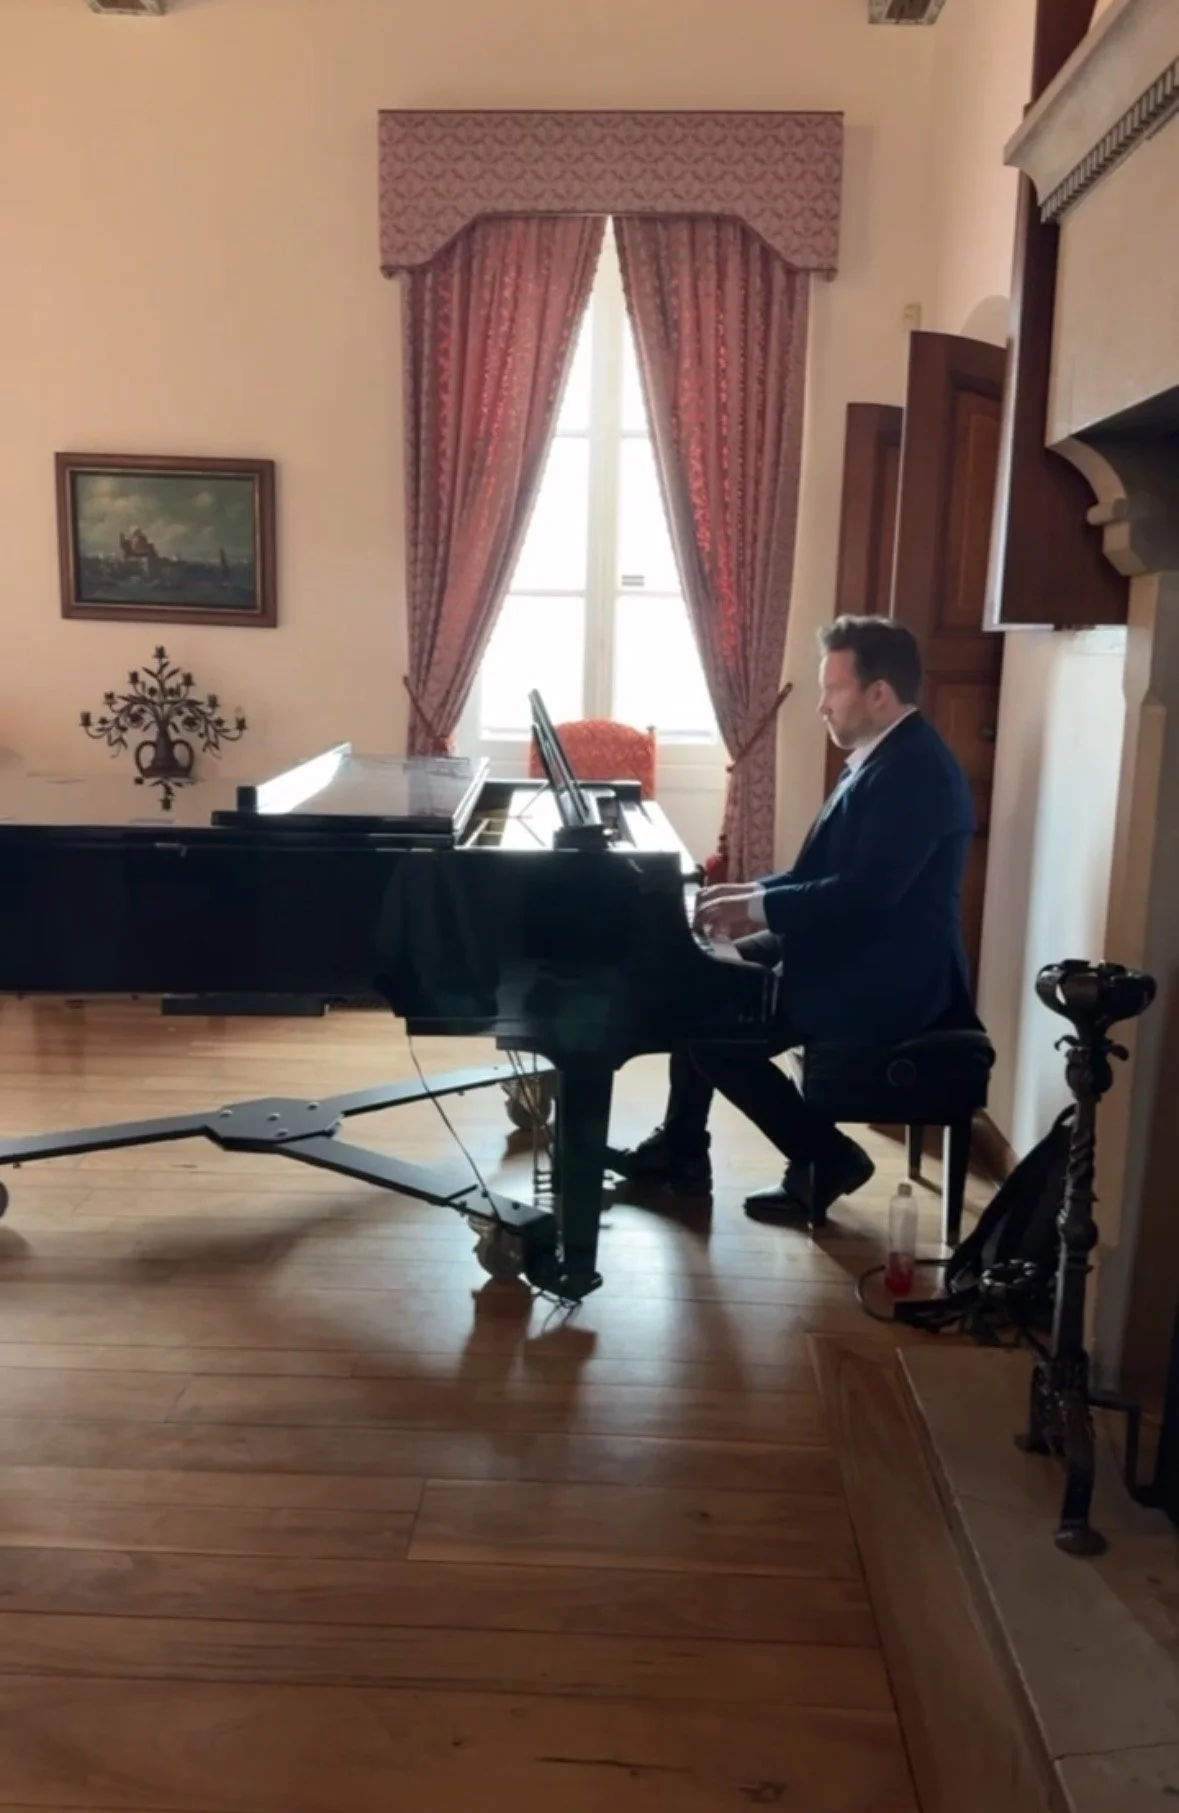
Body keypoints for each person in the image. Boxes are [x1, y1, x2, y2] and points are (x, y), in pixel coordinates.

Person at [606, 614, 977, 1223]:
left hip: (887, 982)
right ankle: (680, 1150)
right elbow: (829, 875)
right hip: (851, 952)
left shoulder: (916, 773)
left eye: (833, 690)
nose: (822, 706)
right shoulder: (884, 755)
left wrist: (757, 907)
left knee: (713, 1036)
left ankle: (826, 1155)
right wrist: (750, 893)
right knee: (694, 985)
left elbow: (866, 896)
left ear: (878, 693)